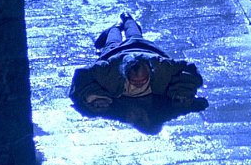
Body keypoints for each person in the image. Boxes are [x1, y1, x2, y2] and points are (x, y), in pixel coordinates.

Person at [70, 12, 203, 111]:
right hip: (116, 52)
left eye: (143, 79)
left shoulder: (162, 67)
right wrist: (94, 95)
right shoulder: (108, 69)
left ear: (150, 71)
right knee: (112, 42)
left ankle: (128, 19)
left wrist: (183, 91)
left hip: (143, 47)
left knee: (135, 35)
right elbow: (81, 75)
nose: (139, 83)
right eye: (134, 80)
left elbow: (189, 68)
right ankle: (115, 27)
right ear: (125, 75)